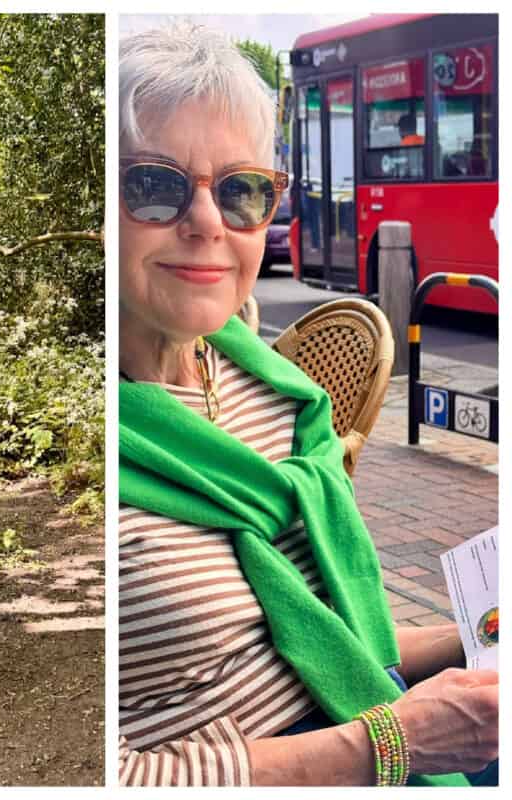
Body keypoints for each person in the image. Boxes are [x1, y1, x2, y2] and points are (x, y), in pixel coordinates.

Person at [117, 25, 498, 787]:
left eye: (242, 190)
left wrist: (479, 631)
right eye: (152, 185)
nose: (207, 222)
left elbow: (337, 641)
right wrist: (391, 747)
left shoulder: (276, 392)